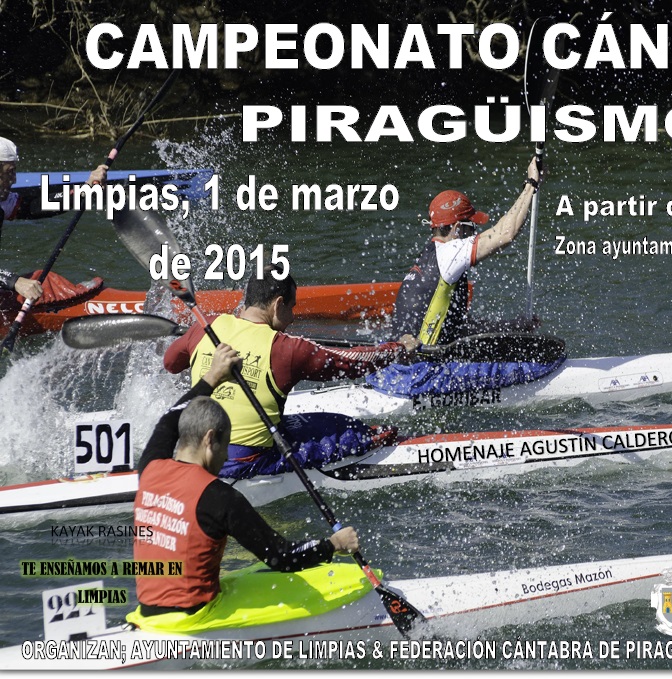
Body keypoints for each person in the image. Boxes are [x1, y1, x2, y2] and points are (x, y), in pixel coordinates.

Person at [133, 342, 360, 617]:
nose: (226, 455)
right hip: (196, 619)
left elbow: (169, 419)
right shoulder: (219, 498)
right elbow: (283, 557)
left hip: (146, 613)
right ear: (210, 440)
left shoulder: (149, 469)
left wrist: (213, 376)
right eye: (226, 445)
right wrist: (333, 545)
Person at [163, 265, 419, 478]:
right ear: (278, 304)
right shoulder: (287, 349)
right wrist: (397, 349)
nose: (293, 318)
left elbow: (171, 363)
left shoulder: (205, 327)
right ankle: (384, 440)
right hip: (246, 462)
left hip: (196, 450)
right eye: (292, 307)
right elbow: (351, 362)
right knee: (349, 430)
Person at [391, 156, 542, 346]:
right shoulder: (450, 253)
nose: (474, 234)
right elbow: (505, 233)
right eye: (471, 228)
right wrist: (531, 184)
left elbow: (457, 327)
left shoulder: (431, 255)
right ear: (457, 229)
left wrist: (512, 327)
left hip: (412, 356)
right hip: (426, 361)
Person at [1, 136, 106, 301]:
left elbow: (35, 205)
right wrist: (14, 281)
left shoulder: (4, 201)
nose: (14, 179)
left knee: (44, 280)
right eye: (9, 172)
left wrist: (84, 189)